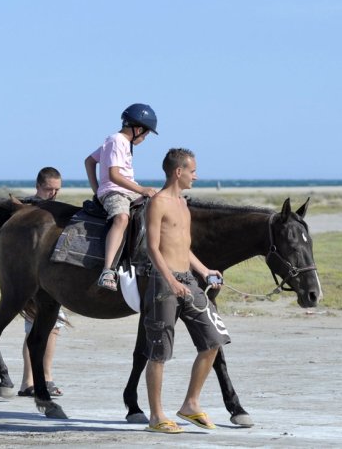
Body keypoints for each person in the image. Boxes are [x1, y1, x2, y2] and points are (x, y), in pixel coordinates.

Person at [143, 148, 231, 434]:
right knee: (159, 351)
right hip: (163, 283)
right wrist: (170, 280)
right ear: (178, 172)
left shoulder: (183, 203)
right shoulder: (158, 202)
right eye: (192, 171)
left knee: (213, 340)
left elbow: (183, 247)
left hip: (188, 280)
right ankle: (156, 416)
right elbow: (152, 248)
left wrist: (204, 271)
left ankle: (190, 404)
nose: (196, 175)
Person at [84, 103, 158, 291]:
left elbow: (89, 161)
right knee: (122, 217)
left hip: (125, 190)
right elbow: (115, 175)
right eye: (147, 134)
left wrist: (96, 188)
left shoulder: (120, 142)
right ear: (138, 129)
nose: (145, 138)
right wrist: (101, 190)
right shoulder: (117, 140)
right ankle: (107, 270)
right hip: (115, 191)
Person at [18, 166, 66, 397]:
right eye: (48, 189)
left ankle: (44, 377)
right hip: (31, 278)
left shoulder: (54, 210)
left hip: (52, 279)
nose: (53, 194)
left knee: (53, 329)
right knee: (36, 329)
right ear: (38, 187)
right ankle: (31, 380)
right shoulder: (30, 211)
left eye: (57, 190)